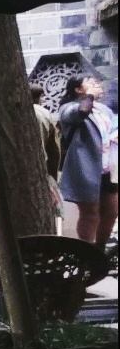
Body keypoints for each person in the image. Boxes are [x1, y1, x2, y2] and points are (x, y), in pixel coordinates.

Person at [57, 75, 117, 246]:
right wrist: (89, 96)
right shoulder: (68, 108)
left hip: (109, 168)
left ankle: (100, 249)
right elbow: (82, 112)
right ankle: (87, 252)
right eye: (91, 83)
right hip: (86, 168)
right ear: (78, 89)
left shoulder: (104, 110)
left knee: (111, 211)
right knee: (90, 214)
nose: (97, 85)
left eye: (96, 83)